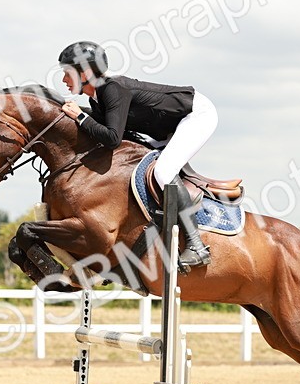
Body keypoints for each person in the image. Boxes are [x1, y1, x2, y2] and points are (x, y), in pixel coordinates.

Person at [56, 40, 217, 270]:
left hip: (195, 115)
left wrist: (80, 117)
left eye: (67, 73)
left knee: (163, 171)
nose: (64, 79)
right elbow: (102, 127)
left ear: (86, 73)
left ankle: (197, 245)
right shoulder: (97, 98)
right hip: (165, 129)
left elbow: (112, 138)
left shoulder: (112, 89)